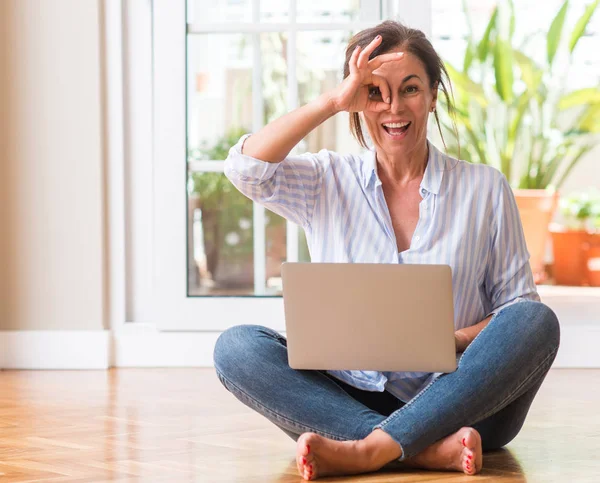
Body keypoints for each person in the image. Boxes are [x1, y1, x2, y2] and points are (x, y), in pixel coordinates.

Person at [212, 20, 560, 480]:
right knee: (235, 348)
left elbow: (516, 309)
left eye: (410, 88)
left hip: (461, 398)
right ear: (358, 103)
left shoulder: (484, 188)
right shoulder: (326, 180)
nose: (394, 107)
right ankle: (417, 450)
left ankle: (364, 449)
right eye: (375, 92)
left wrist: (447, 340)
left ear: (433, 95)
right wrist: (332, 102)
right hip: (348, 393)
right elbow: (245, 170)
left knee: (536, 322)